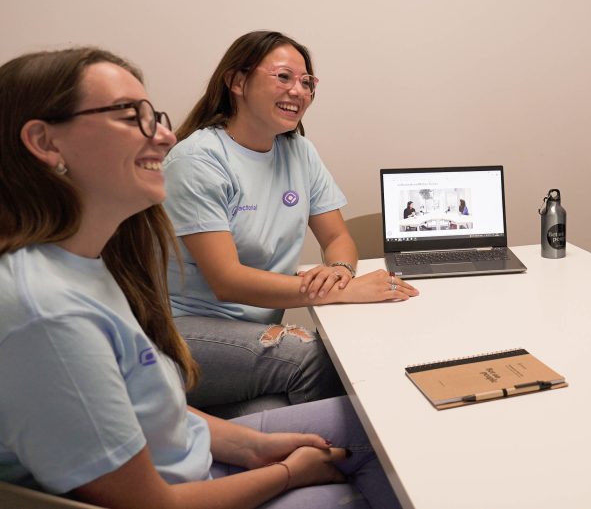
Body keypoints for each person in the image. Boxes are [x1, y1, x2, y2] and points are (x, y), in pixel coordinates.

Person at [0, 47, 401, 508]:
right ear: (46, 143)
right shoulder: (46, 312)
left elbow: (152, 410)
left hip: (194, 456)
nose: (167, 138)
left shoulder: (85, 264)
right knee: (381, 462)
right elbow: (151, 504)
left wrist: (255, 447)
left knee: (389, 420)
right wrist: (287, 474)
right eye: (132, 118)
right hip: (183, 486)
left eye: (156, 116)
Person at [163, 31, 418, 418]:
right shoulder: (197, 161)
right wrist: (340, 294)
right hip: (183, 330)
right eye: (283, 77)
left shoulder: (298, 150)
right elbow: (227, 279)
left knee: (274, 411)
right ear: (237, 82)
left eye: (307, 82)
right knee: (313, 357)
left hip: (249, 336)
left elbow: (337, 237)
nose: (298, 91)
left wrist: (339, 271)